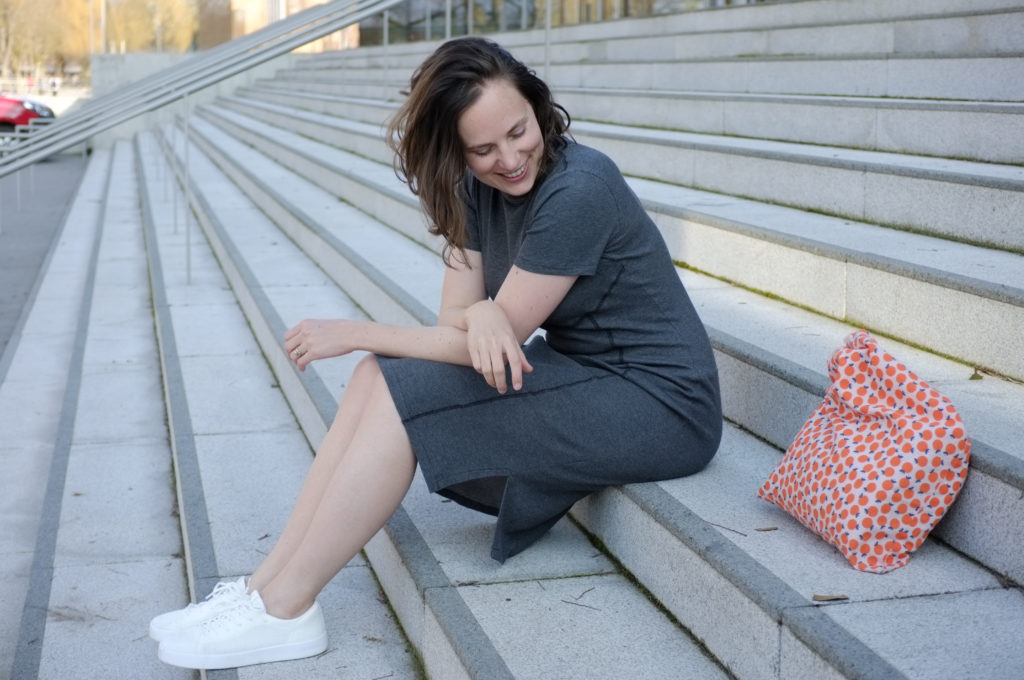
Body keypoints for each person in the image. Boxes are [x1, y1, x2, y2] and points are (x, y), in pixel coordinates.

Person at [150, 36, 722, 670]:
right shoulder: (473, 190)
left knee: (396, 381)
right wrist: (481, 311)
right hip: (588, 374)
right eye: (483, 149)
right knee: (380, 375)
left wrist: (360, 329)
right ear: (458, 150)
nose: (509, 159)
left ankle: (288, 610)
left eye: (518, 131)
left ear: (538, 107)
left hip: (660, 400)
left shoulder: (580, 189)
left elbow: (496, 334)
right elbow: (463, 324)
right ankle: (263, 589)